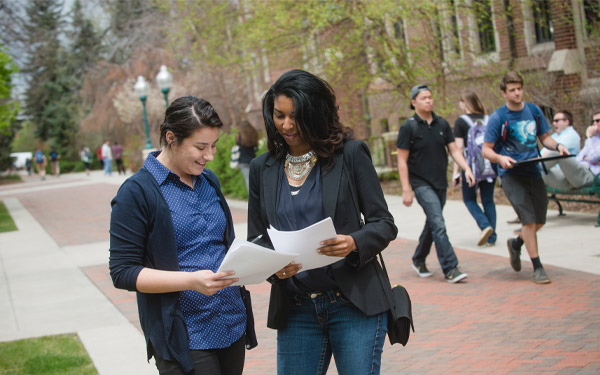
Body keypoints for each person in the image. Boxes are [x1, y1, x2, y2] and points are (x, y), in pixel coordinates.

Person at [247, 69, 398, 375]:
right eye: (279, 115)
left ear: (316, 113)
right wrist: (272, 267)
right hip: (296, 308)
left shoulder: (350, 155)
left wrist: (353, 242)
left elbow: (384, 223)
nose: (287, 125)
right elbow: (257, 238)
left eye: (296, 117)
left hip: (354, 303)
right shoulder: (262, 168)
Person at [110, 96, 253, 375]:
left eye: (214, 146)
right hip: (184, 334)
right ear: (171, 138)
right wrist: (190, 281)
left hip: (230, 323)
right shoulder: (136, 192)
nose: (209, 155)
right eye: (201, 147)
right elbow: (123, 272)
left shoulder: (209, 181)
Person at [481, 71, 570, 284]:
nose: (517, 93)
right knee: (529, 220)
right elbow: (486, 150)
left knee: (540, 220)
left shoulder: (533, 110)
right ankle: (538, 267)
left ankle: (516, 243)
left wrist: (558, 146)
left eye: (519, 88)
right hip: (511, 175)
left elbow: (544, 138)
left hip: (533, 170)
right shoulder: (498, 117)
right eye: (512, 90)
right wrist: (500, 158)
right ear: (504, 93)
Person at [396, 84, 475, 283]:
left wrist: (466, 168)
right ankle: (450, 268)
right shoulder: (409, 127)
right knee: (438, 223)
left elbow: (454, 151)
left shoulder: (442, 124)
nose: (428, 101)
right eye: (424, 98)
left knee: (433, 222)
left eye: (430, 97)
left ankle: (419, 258)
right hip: (421, 184)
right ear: (414, 102)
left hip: (440, 183)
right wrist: (406, 189)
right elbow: (402, 160)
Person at [452, 90, 497, 247]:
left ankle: (485, 226)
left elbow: (458, 148)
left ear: (465, 103)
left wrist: (456, 172)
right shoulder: (488, 119)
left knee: (469, 199)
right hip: (490, 166)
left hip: (471, 167)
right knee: (488, 200)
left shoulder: (461, 122)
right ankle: (492, 237)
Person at [541, 110, 600, 189]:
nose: (594, 124)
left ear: (567, 122)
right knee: (539, 174)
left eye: (598, 121)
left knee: (559, 152)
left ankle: (530, 167)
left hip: (590, 176)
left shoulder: (589, 137)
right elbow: (579, 158)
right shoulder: (594, 139)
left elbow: (592, 157)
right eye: (593, 121)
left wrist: (589, 136)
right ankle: (529, 169)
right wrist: (588, 158)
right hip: (574, 175)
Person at [236, 121, 258, 191]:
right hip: (253, 161)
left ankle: (252, 199)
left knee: (248, 180)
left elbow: (237, 147)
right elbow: (256, 149)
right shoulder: (254, 135)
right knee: (255, 181)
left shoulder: (239, 136)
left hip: (243, 162)